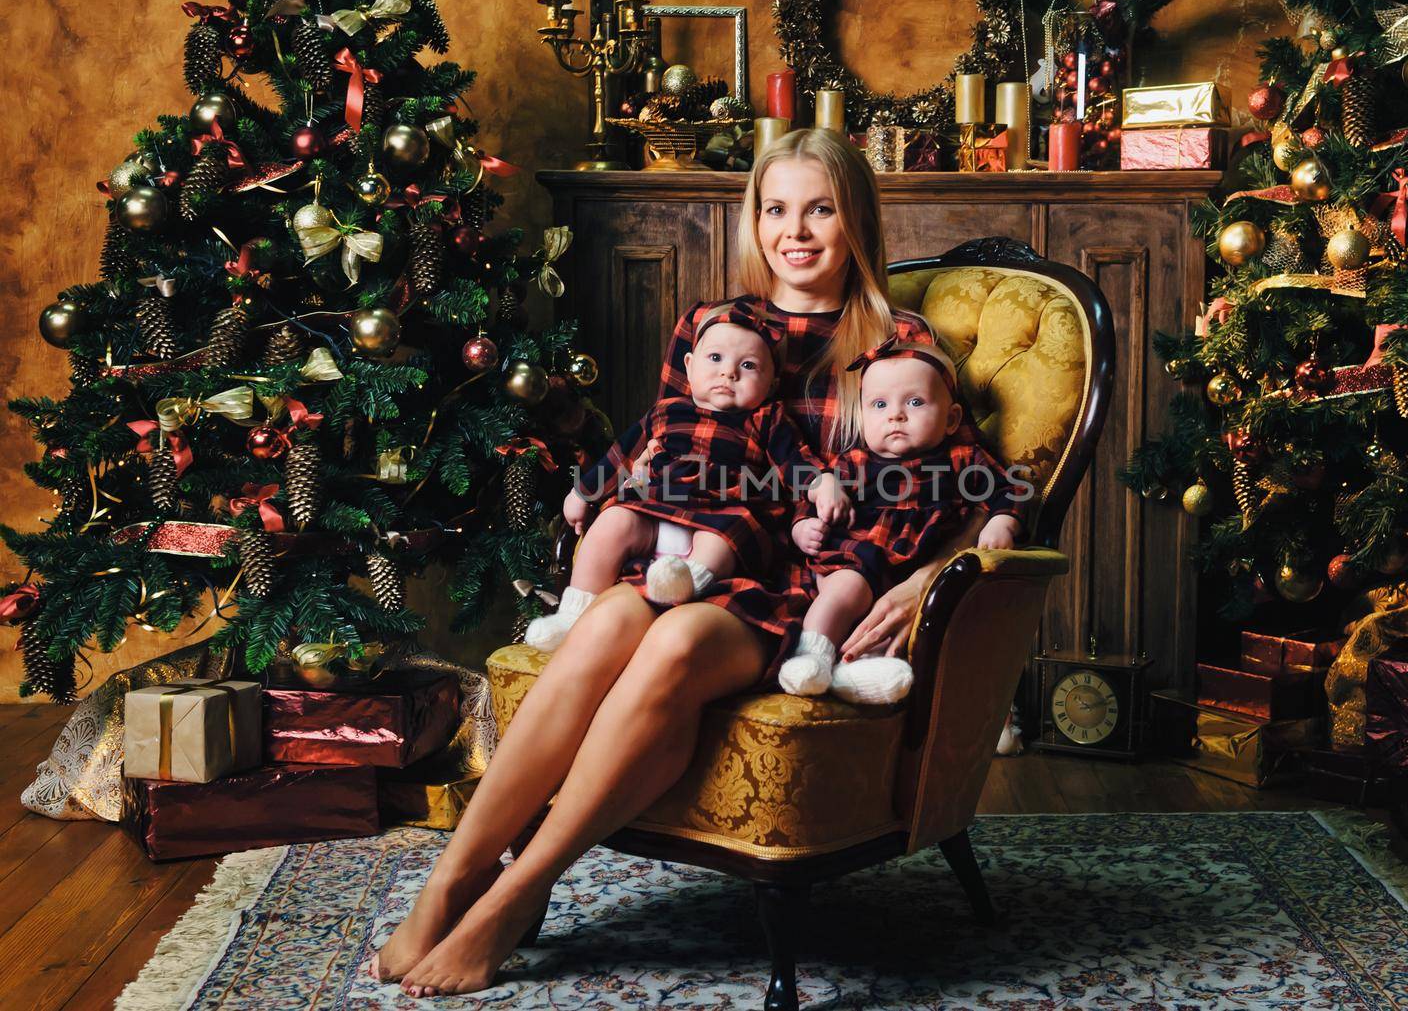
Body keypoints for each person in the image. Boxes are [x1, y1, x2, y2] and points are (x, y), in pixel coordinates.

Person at [376, 127, 992, 997]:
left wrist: (934, 572)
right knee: (609, 629)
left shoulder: (898, 337)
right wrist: (607, 504)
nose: (798, 231)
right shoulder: (715, 326)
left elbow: (958, 484)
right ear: (753, 220)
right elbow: (662, 447)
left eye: (820, 209)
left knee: (668, 647)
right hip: (694, 552)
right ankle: (453, 879)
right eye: (776, 209)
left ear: (856, 219)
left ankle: (516, 893)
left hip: (801, 588)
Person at [523, 300, 847, 650]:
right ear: (689, 368)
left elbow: (793, 460)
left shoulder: (767, 418)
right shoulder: (666, 411)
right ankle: (573, 614)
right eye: (715, 359)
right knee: (612, 522)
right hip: (657, 506)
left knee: (728, 536)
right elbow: (621, 456)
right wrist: (583, 493)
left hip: (723, 512)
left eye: (749, 365)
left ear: (770, 384)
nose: (729, 373)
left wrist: (820, 482)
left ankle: (687, 581)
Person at [778, 337, 1024, 704]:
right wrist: (802, 527)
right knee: (849, 590)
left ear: (952, 418)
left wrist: (1002, 520)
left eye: (915, 402)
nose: (895, 414)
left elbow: (1011, 488)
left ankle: (855, 671)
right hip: (854, 559)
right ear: (862, 417)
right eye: (879, 404)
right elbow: (813, 500)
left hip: (910, 573)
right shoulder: (853, 463)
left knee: (907, 625)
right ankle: (811, 656)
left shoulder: (962, 459)